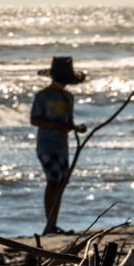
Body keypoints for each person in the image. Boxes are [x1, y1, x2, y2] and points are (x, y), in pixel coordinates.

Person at [30, 56, 87, 234]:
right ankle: (50, 225)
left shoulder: (68, 97)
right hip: (47, 145)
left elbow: (69, 122)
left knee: (60, 184)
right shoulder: (42, 96)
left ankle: (53, 223)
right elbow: (35, 120)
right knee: (53, 182)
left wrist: (77, 128)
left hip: (62, 146)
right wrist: (57, 126)